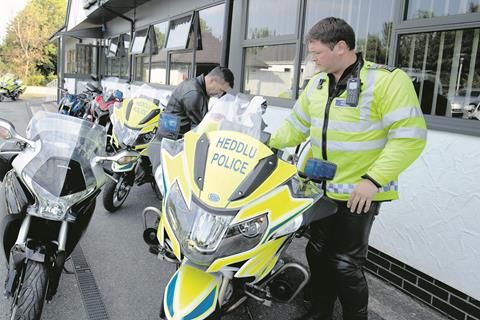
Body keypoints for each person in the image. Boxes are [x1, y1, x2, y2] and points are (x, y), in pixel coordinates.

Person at [269, 17, 427, 320]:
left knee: (345, 263)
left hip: (359, 192)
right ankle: (320, 312)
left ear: (341, 47)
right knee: (317, 253)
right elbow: (296, 126)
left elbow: (410, 137)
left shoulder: (386, 81)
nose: (312, 59)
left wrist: (373, 180)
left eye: (316, 53)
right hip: (319, 188)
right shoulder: (316, 83)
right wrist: (264, 144)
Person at [164, 66, 234, 135]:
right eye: (221, 90)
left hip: (172, 135)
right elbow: (201, 126)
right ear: (212, 81)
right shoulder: (194, 93)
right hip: (172, 140)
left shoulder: (196, 86)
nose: (219, 94)